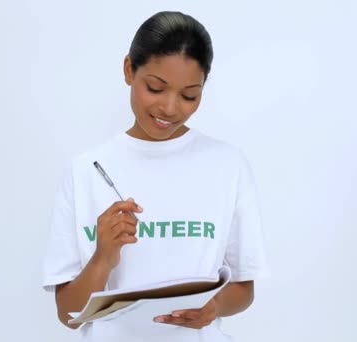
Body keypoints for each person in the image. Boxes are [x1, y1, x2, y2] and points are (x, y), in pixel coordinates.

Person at [42, 11, 270, 342]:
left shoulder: (228, 165)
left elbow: (244, 289)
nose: (170, 108)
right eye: (155, 88)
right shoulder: (84, 171)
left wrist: (215, 306)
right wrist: (104, 256)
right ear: (128, 70)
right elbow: (69, 314)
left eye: (189, 95)